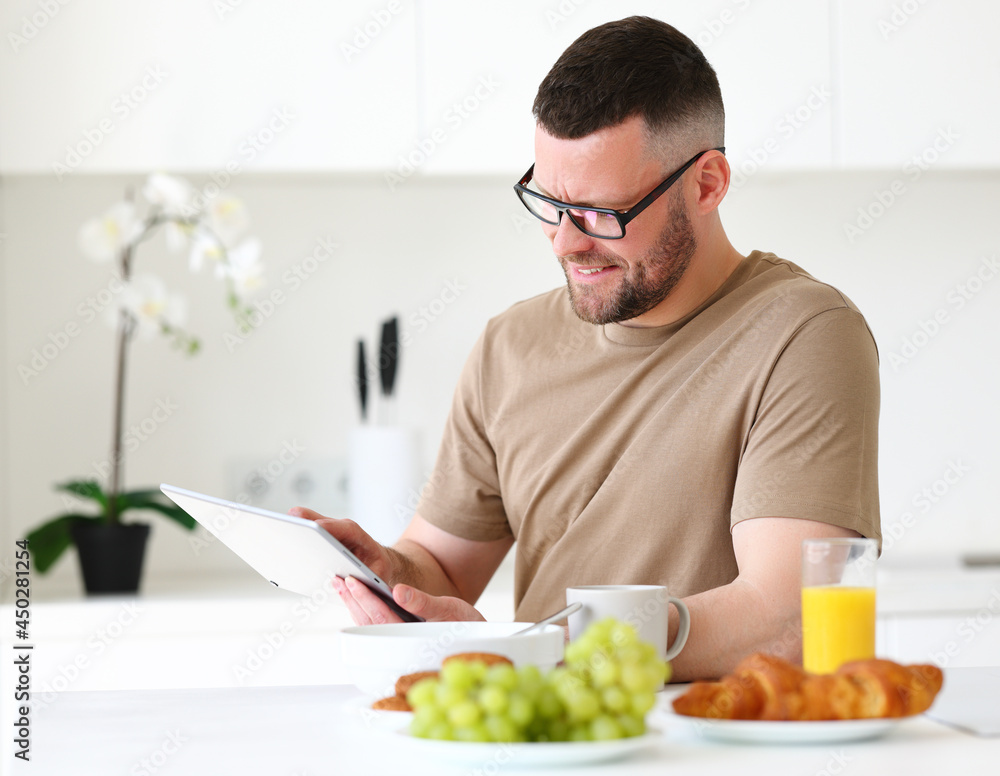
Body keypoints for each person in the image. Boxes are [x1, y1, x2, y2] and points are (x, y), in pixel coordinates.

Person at [292, 16, 881, 681]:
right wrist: (390, 576)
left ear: (707, 184)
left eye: (604, 213)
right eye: (549, 202)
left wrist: (548, 647)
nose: (565, 243)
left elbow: (785, 618)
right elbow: (444, 568)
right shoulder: (510, 346)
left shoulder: (803, 333)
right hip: (543, 739)